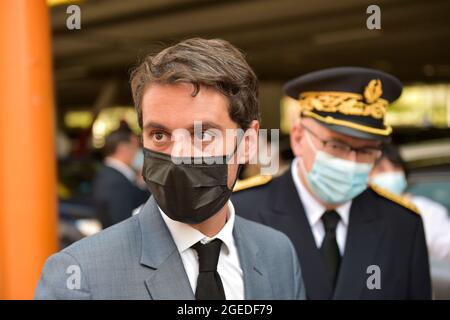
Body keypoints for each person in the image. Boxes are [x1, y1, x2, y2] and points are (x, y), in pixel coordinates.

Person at [35, 38, 305, 300]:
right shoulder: (79, 276)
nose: (178, 154)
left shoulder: (278, 254)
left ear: (247, 143)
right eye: (160, 135)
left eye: (202, 135)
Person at [232, 67, 432, 299]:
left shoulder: (401, 224)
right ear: (298, 138)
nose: (352, 162)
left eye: (367, 150)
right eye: (337, 146)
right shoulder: (241, 212)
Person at [371, 143, 450, 261]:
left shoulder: (425, 211)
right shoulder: (356, 211)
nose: (391, 174)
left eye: (396, 168)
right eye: (381, 170)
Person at [92, 128, 149, 229]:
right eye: (136, 147)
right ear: (123, 149)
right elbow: (123, 224)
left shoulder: (113, 175)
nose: (139, 152)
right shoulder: (115, 182)